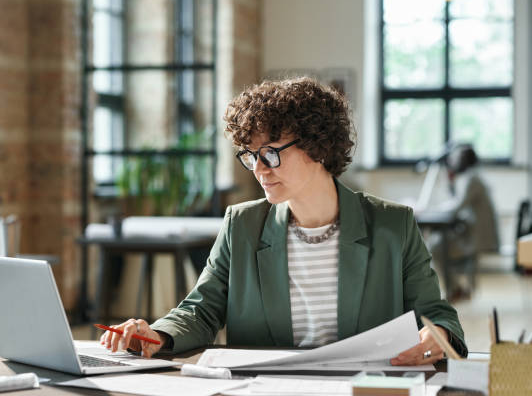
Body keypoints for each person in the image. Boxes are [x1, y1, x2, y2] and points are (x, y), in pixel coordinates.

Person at [100, 77, 468, 365]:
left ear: (317, 146)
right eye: (251, 156)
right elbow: (202, 309)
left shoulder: (393, 225)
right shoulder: (242, 225)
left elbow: (436, 316)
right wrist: (157, 334)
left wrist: (440, 336)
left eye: (271, 154)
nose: (258, 169)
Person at [428, 144, 500, 298]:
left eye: (454, 158)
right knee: (437, 242)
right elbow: (457, 203)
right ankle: (455, 288)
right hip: (470, 231)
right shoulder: (472, 176)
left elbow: (457, 206)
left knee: (435, 245)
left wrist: (430, 210)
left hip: (475, 236)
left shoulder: (472, 179)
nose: (451, 161)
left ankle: (454, 289)